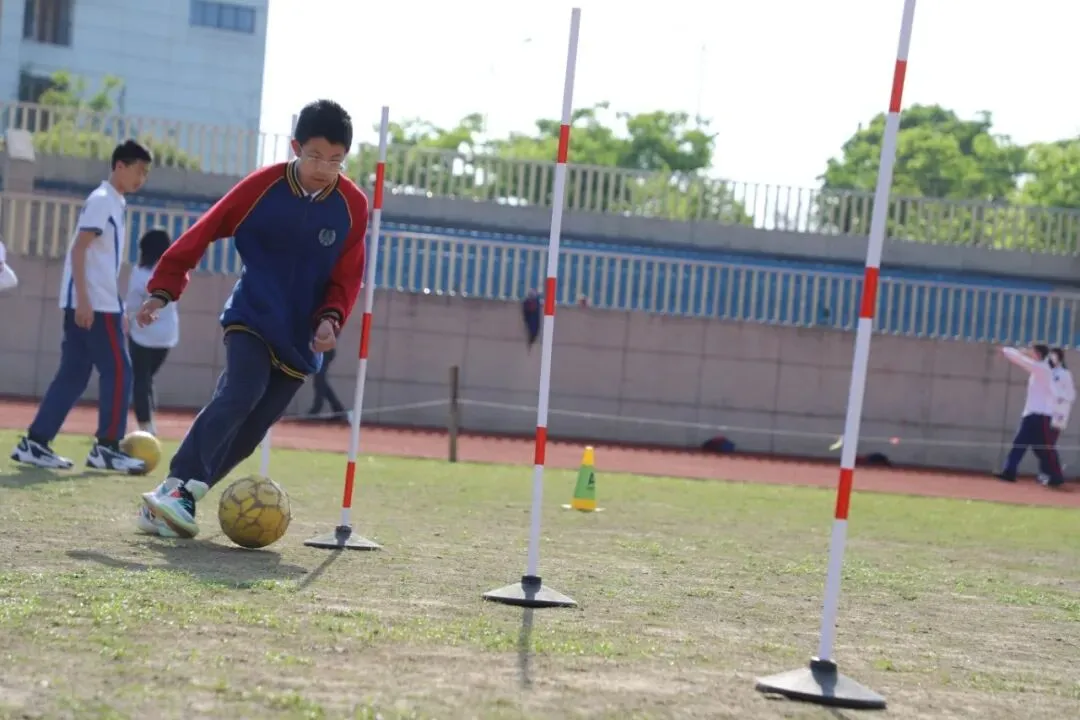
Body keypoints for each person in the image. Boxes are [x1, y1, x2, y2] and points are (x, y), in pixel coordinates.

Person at [135, 100, 368, 539]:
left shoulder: (352, 205)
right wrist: (163, 289)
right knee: (242, 391)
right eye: (316, 156)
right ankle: (174, 485)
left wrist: (330, 320)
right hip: (253, 315)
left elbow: (348, 273)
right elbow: (204, 229)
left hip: (301, 337)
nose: (324, 168)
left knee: (255, 426)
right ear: (296, 147)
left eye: (336, 160)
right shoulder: (263, 187)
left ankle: (184, 496)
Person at [10, 141, 153, 473]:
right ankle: (107, 448)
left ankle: (35, 443)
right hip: (93, 306)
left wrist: (116, 306)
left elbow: (102, 264)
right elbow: (78, 250)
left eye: (146, 173)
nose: (141, 179)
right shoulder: (102, 201)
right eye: (138, 171)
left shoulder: (114, 203)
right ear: (119, 166)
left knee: (73, 376)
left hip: (102, 304)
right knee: (119, 371)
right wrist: (85, 302)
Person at [125, 229, 179, 436]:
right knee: (147, 378)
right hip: (166, 336)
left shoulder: (139, 273)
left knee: (140, 379)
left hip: (142, 334)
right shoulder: (172, 271)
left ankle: (146, 425)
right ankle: (149, 416)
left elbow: (132, 305)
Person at [995, 343, 1065, 486]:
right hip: (1032, 415)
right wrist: (1020, 352)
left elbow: (1022, 360)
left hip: (1042, 417)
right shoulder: (1041, 368)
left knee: (1044, 449)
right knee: (1019, 444)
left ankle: (1055, 476)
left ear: (1038, 354)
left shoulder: (1043, 368)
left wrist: (1006, 350)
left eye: (1032, 352)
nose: (1030, 353)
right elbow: (1025, 358)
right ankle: (1009, 472)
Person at [1036, 347, 1075, 487]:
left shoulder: (1065, 374)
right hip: (1044, 412)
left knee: (1049, 444)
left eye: (1053, 356)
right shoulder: (1047, 372)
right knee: (1041, 444)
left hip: (1057, 414)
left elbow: (1071, 395)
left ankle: (1054, 474)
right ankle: (1047, 472)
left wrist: (1058, 398)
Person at [306, 347, 348, 422]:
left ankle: (316, 408)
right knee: (322, 383)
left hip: (325, 349)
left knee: (320, 380)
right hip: (323, 349)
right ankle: (338, 410)